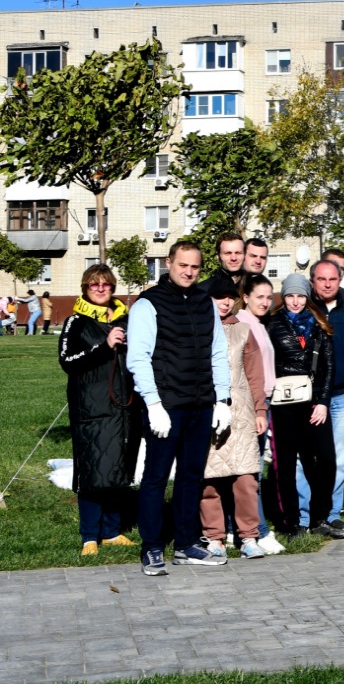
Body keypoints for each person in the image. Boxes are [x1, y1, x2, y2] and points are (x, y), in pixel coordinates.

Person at [127, 241, 233, 575]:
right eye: (182, 265)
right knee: (156, 477)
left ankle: (186, 544)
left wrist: (222, 398)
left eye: (195, 267)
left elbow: (217, 352)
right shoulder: (149, 304)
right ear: (168, 263)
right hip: (166, 405)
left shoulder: (205, 302)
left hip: (201, 404)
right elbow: (138, 357)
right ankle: (152, 547)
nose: (188, 272)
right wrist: (154, 403)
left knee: (191, 476)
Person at [58, 265, 141, 556]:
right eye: (95, 285)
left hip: (124, 407)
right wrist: (103, 347)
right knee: (93, 474)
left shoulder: (127, 320)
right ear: (85, 288)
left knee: (118, 470)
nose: (101, 289)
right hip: (92, 409)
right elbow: (68, 360)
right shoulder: (75, 322)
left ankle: (112, 531)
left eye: (106, 284)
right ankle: (89, 536)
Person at [265, 274, 343, 539]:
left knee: (325, 460)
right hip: (284, 404)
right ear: (283, 297)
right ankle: (291, 521)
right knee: (285, 463)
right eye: (290, 296)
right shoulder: (272, 325)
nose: (295, 301)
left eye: (300, 295)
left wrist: (322, 402)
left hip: (312, 402)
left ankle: (319, 516)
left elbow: (328, 367)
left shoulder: (319, 324)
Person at [199, 275, 269, 559]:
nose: (225, 302)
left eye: (230, 296)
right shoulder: (198, 328)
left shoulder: (243, 330)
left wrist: (260, 409)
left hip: (241, 412)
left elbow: (254, 373)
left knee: (246, 479)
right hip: (208, 410)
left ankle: (248, 537)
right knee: (209, 479)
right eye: (219, 296)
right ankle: (214, 536)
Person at [306, 259, 344, 535]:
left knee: (339, 457)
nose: (327, 284)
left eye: (333, 279)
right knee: (307, 459)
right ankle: (305, 516)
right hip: (308, 399)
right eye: (321, 279)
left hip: (339, 396)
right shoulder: (303, 309)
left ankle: (332, 511)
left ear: (340, 281)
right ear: (313, 281)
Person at [236, 274, 286, 554]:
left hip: (263, 403)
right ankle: (258, 530)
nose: (266, 303)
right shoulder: (244, 325)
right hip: (251, 406)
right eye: (260, 297)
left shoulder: (257, 323)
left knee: (252, 470)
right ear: (246, 297)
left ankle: (243, 528)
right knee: (250, 471)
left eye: (269, 298)